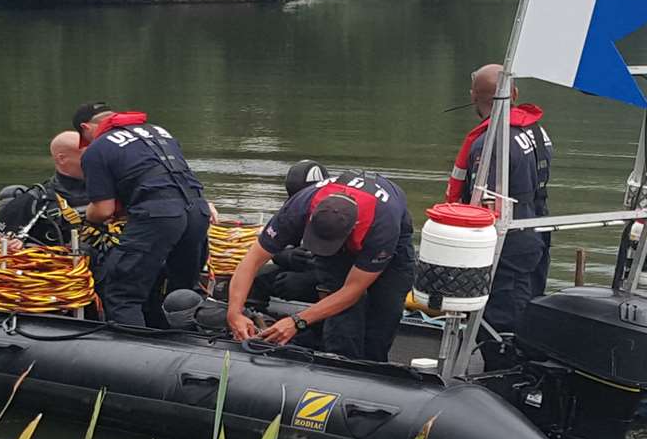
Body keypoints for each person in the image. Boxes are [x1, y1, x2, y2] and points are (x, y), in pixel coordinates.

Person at [224, 169, 415, 362]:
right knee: (340, 311)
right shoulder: (299, 206)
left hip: (389, 237)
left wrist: (296, 322)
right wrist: (234, 312)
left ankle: (373, 366)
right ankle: (338, 360)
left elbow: (353, 290)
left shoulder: (383, 226)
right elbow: (252, 260)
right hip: (340, 227)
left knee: (385, 309)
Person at [449, 63, 553, 365]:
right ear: (514, 93)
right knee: (531, 304)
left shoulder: (490, 142)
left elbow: (486, 202)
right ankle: (528, 369)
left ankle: (502, 379)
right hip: (538, 226)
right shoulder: (536, 130)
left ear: (473, 97)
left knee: (502, 320)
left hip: (509, 242)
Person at [74, 102, 212, 328]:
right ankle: (190, 339)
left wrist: (86, 217)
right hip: (198, 211)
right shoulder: (158, 132)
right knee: (182, 290)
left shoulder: (97, 148)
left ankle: (136, 353)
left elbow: (103, 210)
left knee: (121, 292)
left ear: (86, 128)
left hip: (159, 216)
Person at [247, 159, 329, 305]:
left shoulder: (341, 214)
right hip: (305, 269)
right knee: (257, 276)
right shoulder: (292, 211)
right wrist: (289, 256)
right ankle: (255, 318)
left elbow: (358, 267)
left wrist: (311, 280)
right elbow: (270, 248)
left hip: (337, 279)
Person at [0, 130, 93, 246]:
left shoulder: (109, 193)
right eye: (87, 155)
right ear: (62, 159)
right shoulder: (35, 202)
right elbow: (0, 243)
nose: (95, 160)